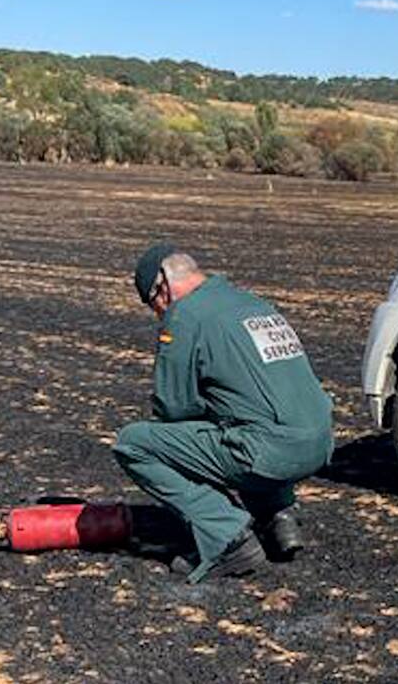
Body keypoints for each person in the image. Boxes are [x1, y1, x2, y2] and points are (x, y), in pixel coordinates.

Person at [113, 244, 334, 583]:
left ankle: (229, 539)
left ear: (163, 288)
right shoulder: (251, 303)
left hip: (270, 454)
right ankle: (278, 519)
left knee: (134, 443)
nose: (158, 313)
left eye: (152, 304)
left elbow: (173, 408)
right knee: (243, 413)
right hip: (319, 444)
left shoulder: (185, 315)